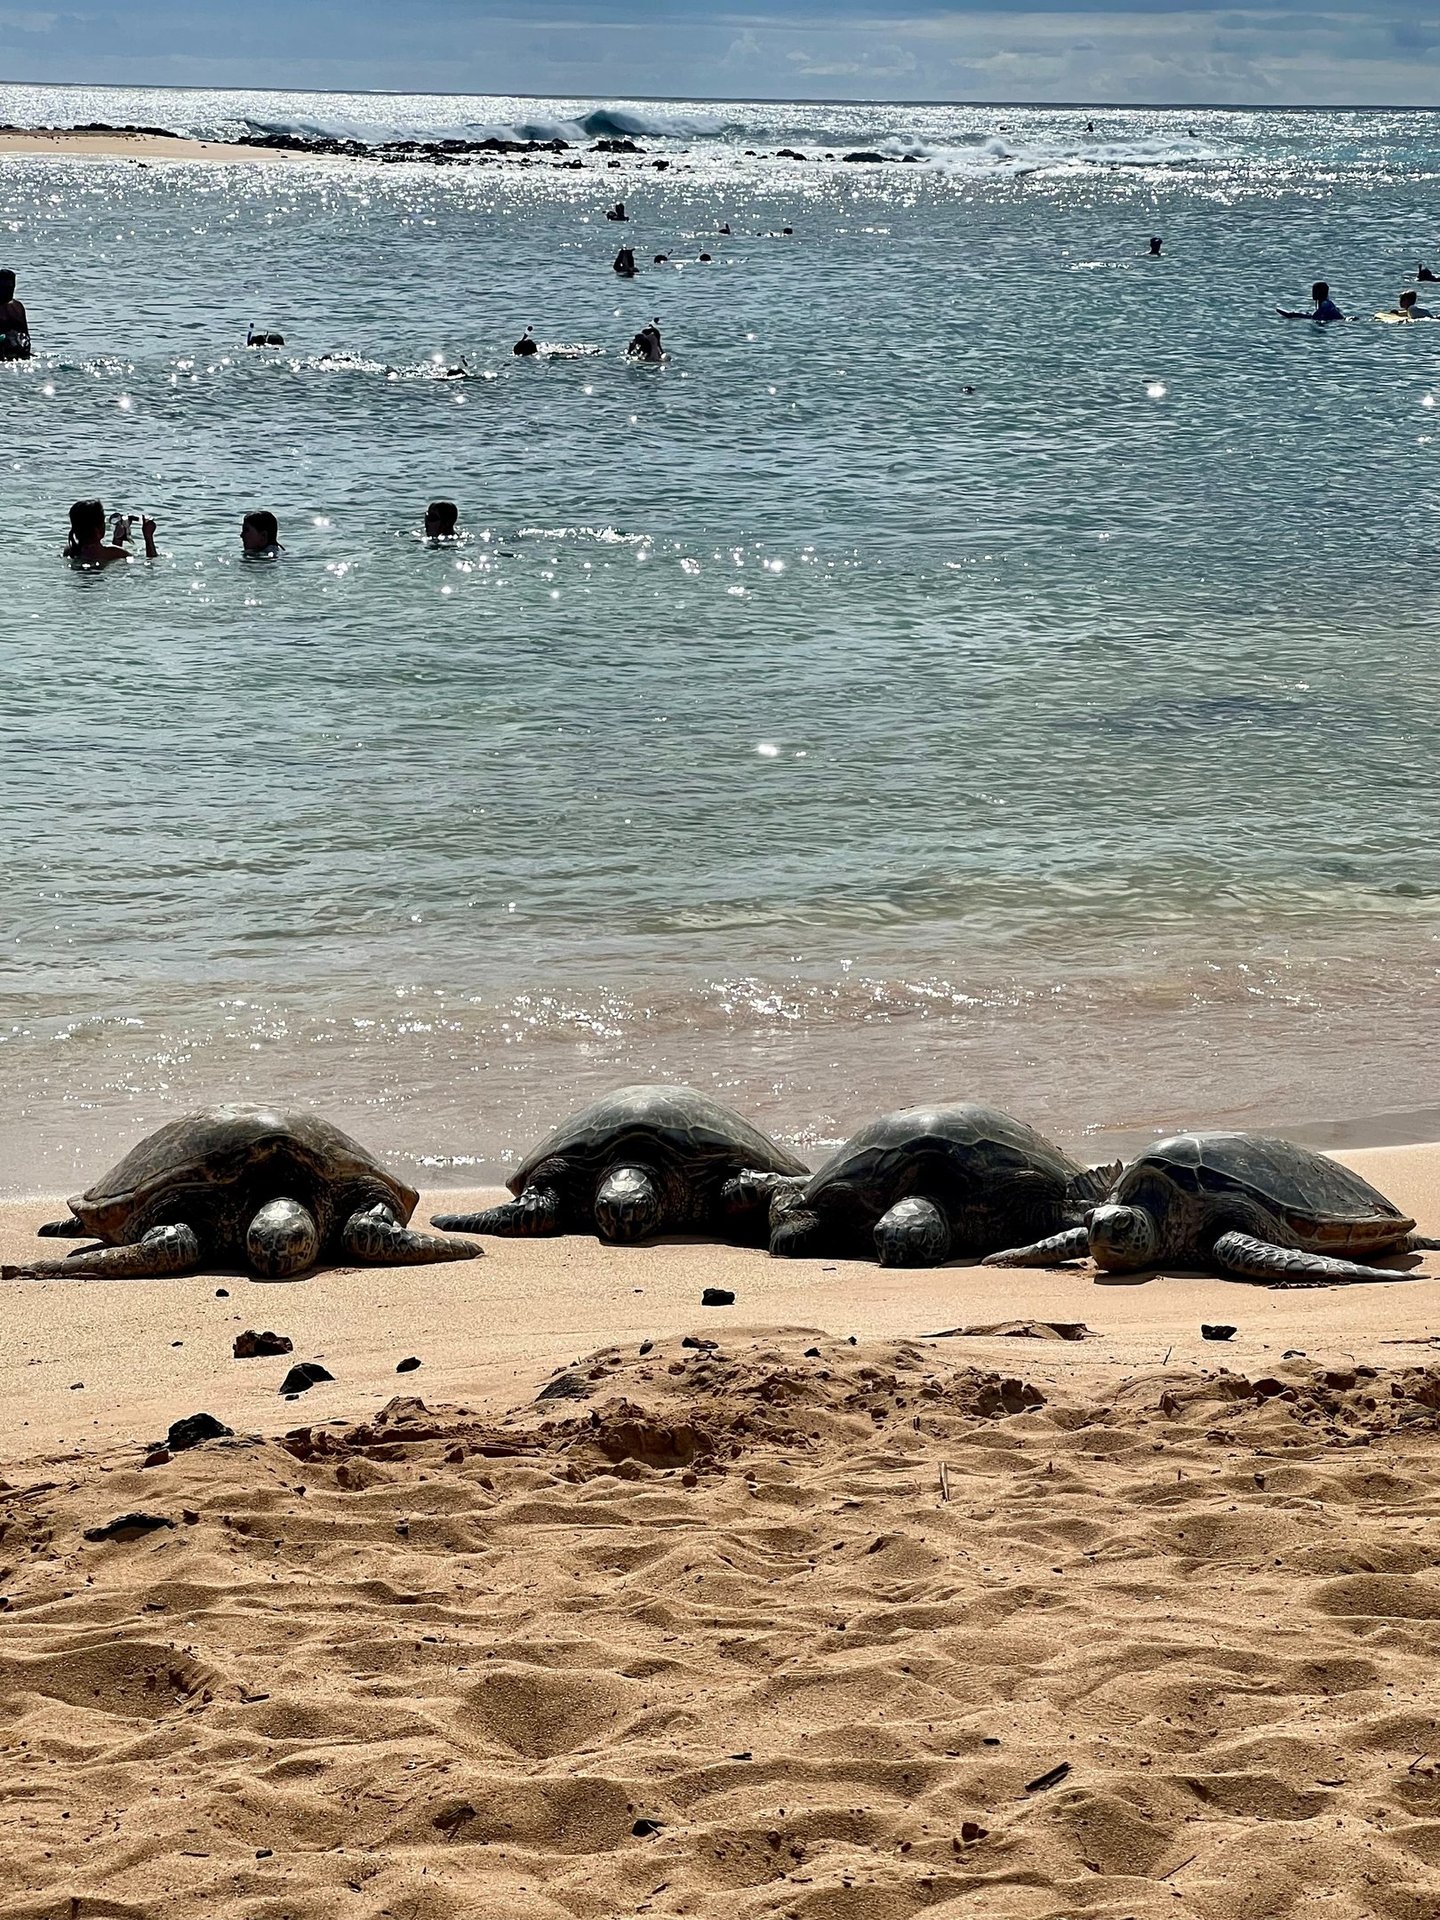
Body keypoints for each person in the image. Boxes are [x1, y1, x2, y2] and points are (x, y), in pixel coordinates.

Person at [63, 499, 157, 567]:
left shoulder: (70, 551)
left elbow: (106, 555)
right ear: (98, 530)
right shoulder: (116, 553)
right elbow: (150, 562)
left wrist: (117, 539)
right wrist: (148, 537)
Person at [1277, 281, 1344, 322]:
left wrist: (1294, 315)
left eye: (1315, 291)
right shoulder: (1326, 303)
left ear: (1320, 292)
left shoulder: (1325, 304)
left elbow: (1315, 318)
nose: (1312, 293)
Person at [0, 269, 30, 361]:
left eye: (11, 287)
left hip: (19, 355)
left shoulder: (18, 307)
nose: (9, 291)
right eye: (4, 288)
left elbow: (26, 334)